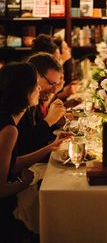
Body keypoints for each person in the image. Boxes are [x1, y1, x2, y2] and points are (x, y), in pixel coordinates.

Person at [0, 62, 65, 242]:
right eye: (35, 84)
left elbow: (11, 163)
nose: (39, 88)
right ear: (23, 91)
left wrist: (50, 147)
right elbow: (1, 188)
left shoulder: (9, 118)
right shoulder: (9, 129)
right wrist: (26, 181)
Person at [17, 52, 66, 155]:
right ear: (35, 75)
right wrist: (49, 121)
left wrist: (56, 127)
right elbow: (23, 146)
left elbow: (37, 134)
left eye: (56, 85)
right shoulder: (17, 102)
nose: (53, 91)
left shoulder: (36, 100)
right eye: (51, 83)